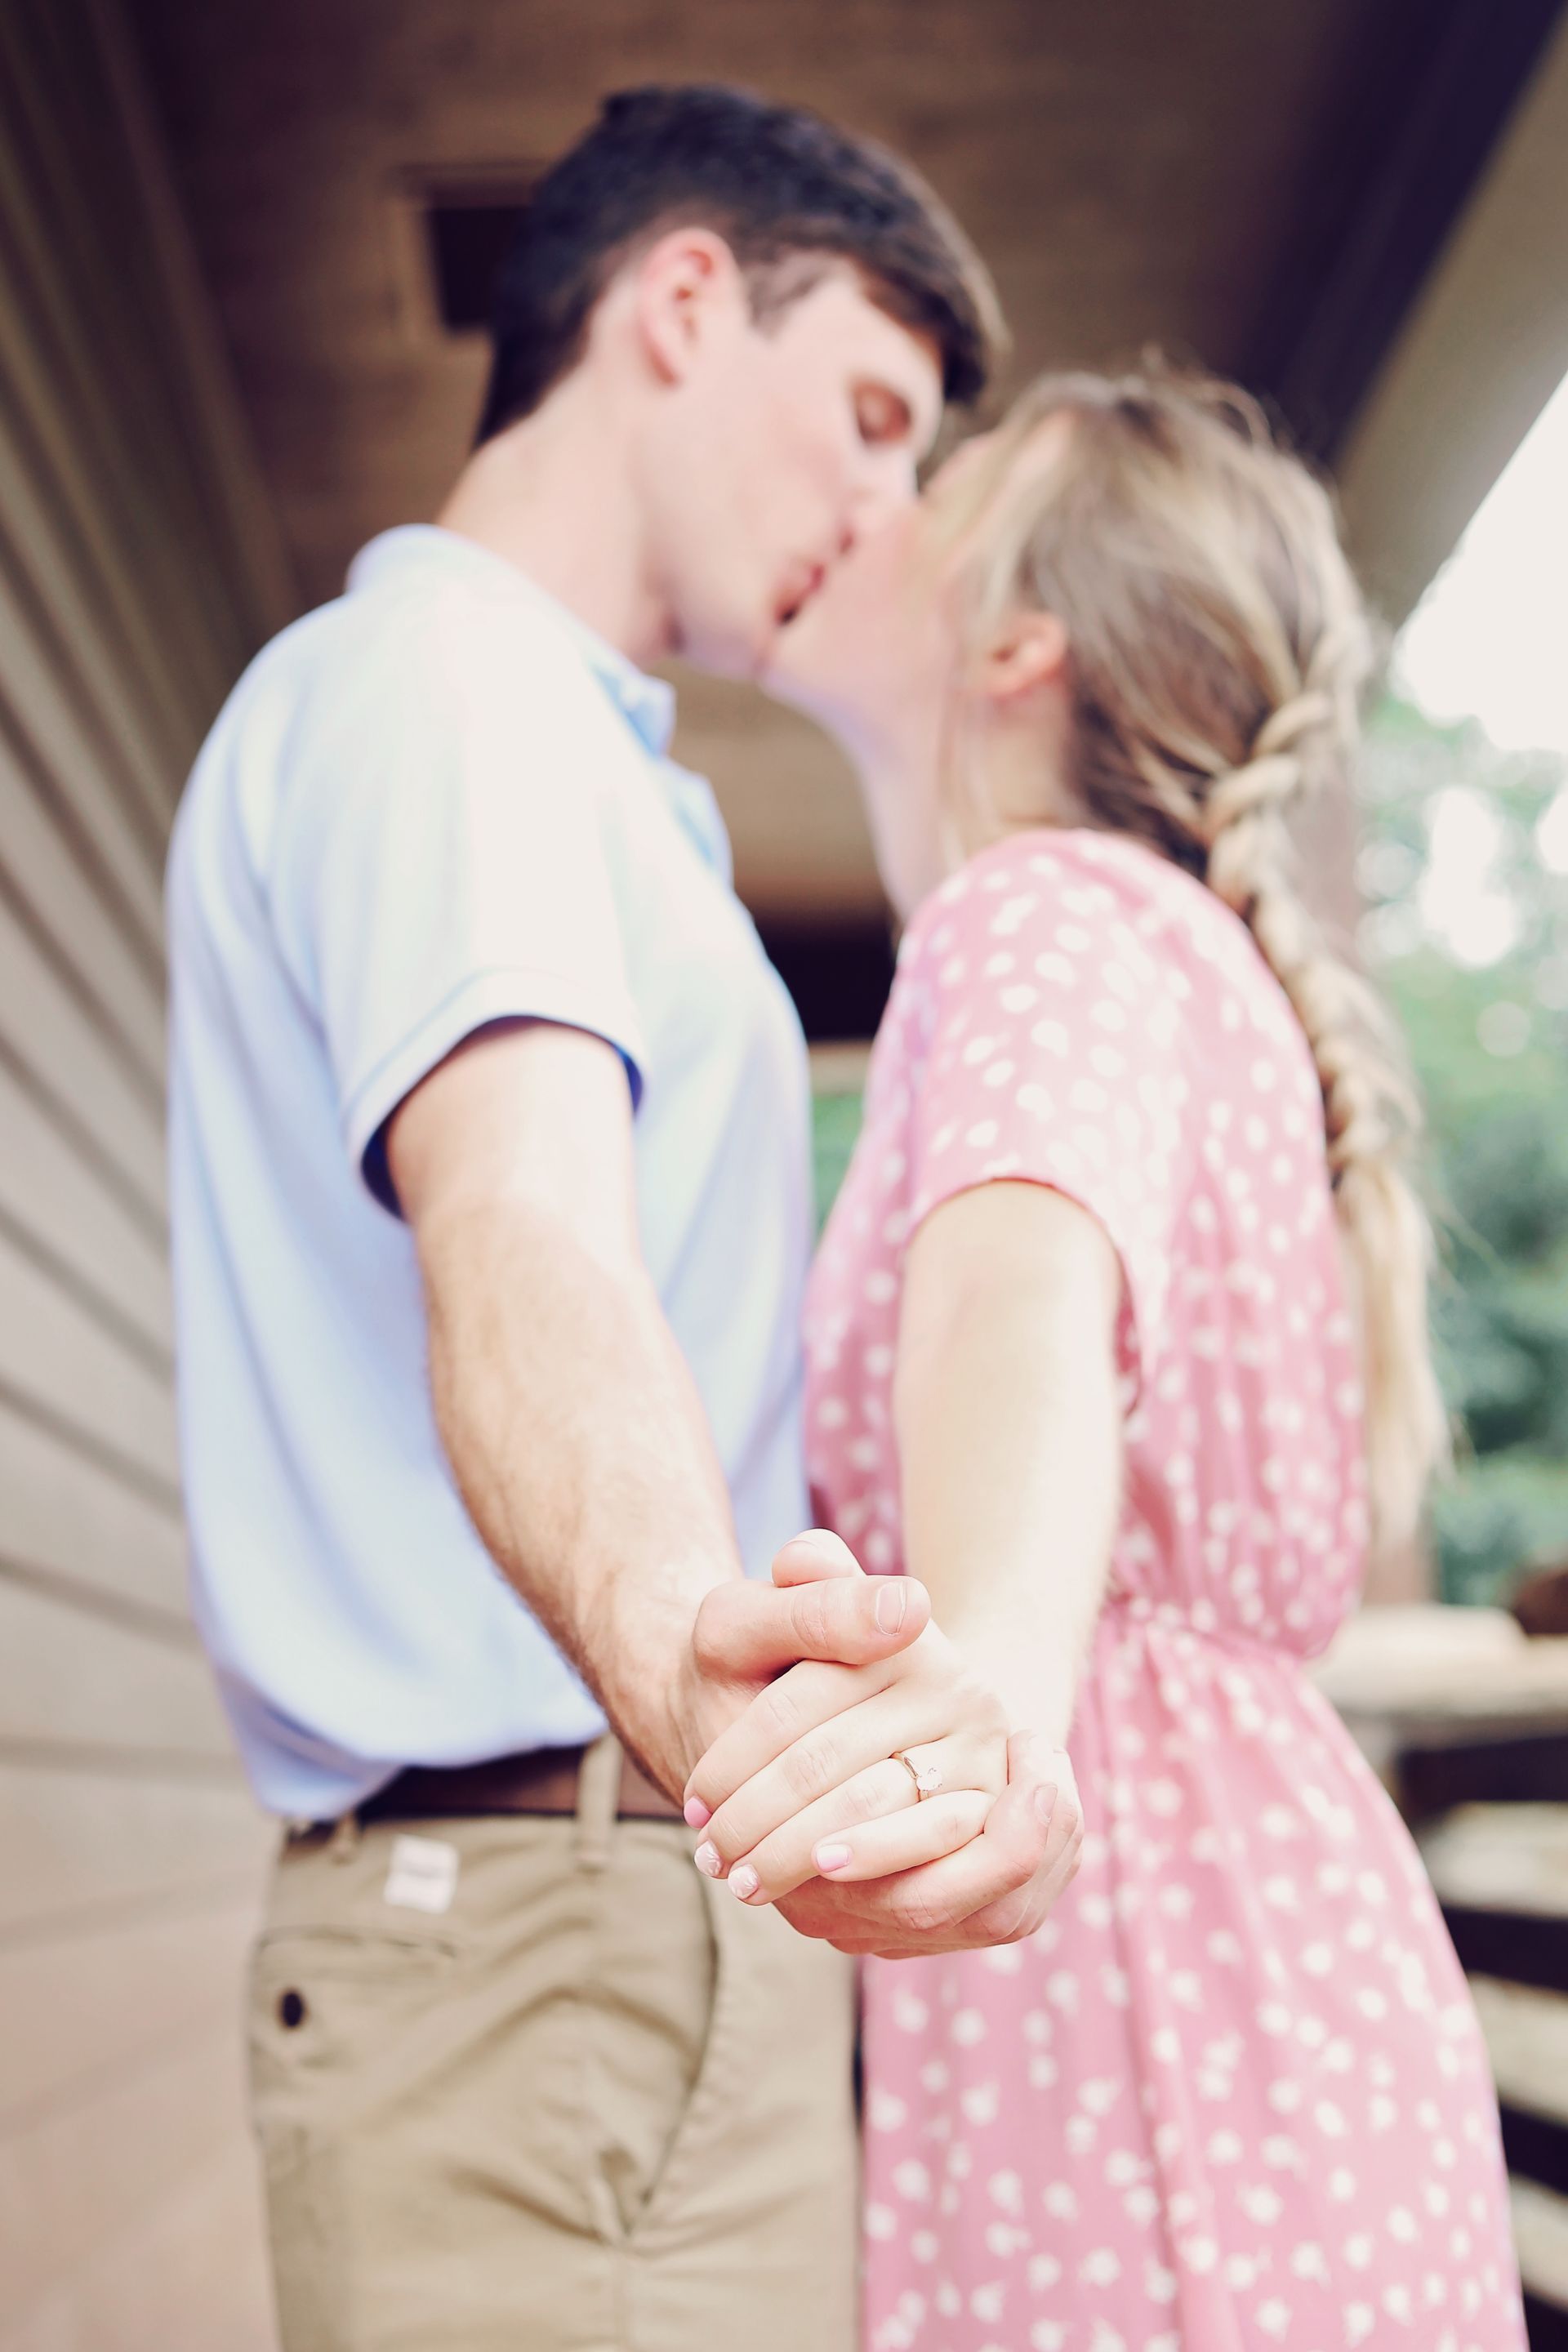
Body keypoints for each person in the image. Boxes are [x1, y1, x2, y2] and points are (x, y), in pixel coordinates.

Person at [166, 86, 1080, 2352]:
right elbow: (523, 1235)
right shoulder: (455, 693)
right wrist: (708, 1667)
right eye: (869, 418)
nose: (883, 515)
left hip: (618, 1896)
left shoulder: (576, 761)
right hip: (553, 1931)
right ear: (683, 299)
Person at [687, 368, 1526, 2346]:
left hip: (1137, 1955)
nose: (872, 496)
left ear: (1021, 637)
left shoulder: (1038, 914)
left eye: (941, 479)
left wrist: (978, 1700)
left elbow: (1025, 1283)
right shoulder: (1166, 950)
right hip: (1253, 1940)